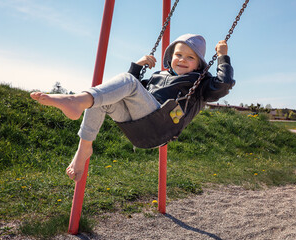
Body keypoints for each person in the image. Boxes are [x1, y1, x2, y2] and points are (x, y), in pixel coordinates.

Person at [30, 34, 235, 182]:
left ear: (199, 65)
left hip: (162, 126)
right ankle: (84, 148)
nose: (182, 60)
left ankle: (77, 101)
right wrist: (137, 66)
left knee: (122, 83)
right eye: (178, 54)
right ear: (170, 56)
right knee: (103, 97)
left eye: (190, 57)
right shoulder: (158, 76)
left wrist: (223, 57)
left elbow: (223, 86)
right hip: (138, 128)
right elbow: (125, 92)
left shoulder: (200, 83)